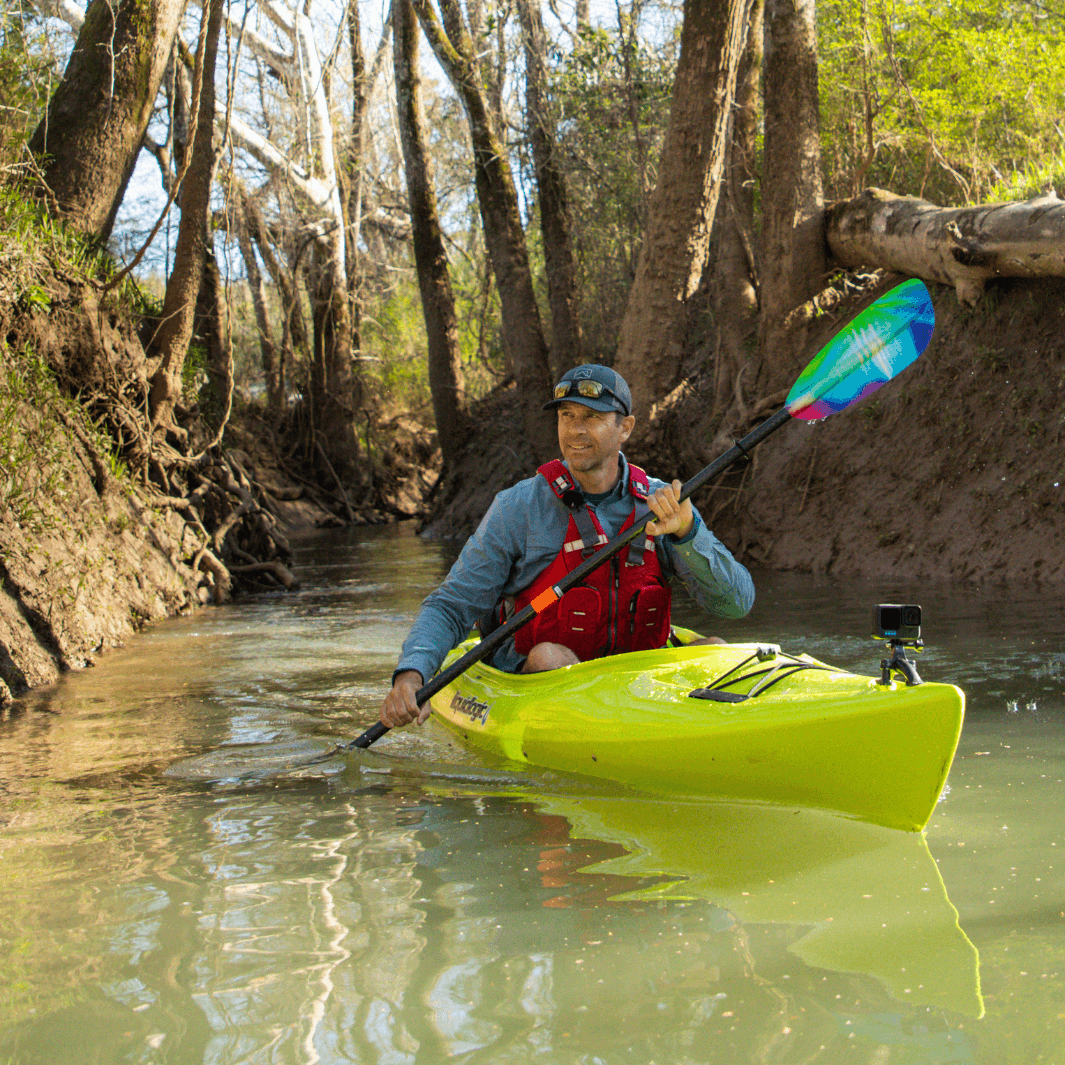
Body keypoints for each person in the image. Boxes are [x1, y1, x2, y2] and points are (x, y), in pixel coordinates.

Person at [380, 364, 755, 729]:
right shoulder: (518, 507)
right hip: (541, 681)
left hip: (639, 678)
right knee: (549, 656)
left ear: (625, 427)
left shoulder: (665, 503)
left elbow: (736, 604)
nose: (575, 429)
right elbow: (453, 605)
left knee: (715, 648)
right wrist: (412, 676)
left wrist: (687, 535)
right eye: (566, 416)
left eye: (591, 416)